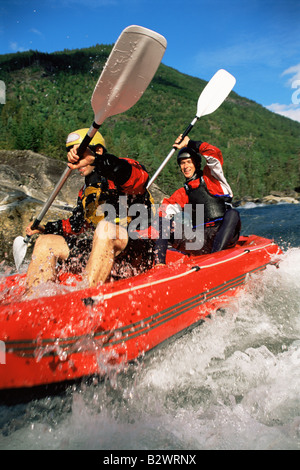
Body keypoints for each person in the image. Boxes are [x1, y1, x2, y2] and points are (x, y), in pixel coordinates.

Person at [25, 128, 155, 294]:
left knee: (105, 229)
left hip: (137, 250)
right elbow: (76, 224)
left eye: (80, 152)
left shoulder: (121, 168)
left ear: (98, 150)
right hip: (105, 250)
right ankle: (35, 300)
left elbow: (137, 179)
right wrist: (46, 228)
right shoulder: (86, 190)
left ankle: (86, 300)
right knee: (45, 243)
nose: (75, 157)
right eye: (72, 153)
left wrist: (96, 160)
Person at [154, 135, 241, 264]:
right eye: (182, 163)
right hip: (200, 241)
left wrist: (189, 143)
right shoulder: (183, 192)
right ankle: (159, 265)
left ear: (197, 163)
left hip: (223, 236)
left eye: (189, 162)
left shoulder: (212, 177)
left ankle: (215, 259)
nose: (185, 166)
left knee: (233, 214)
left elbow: (213, 153)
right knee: (163, 222)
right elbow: (164, 212)